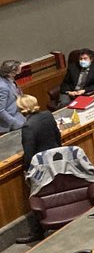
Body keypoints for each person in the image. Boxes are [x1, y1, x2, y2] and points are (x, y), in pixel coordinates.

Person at [15, 96, 63, 243]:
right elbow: (57, 136)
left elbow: (29, 154)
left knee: (37, 197)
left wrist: (27, 172)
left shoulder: (28, 126)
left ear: (21, 109)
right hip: (56, 160)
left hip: (41, 167)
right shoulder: (47, 116)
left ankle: (37, 232)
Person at [0, 60, 26, 134]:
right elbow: (1, 110)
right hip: (8, 122)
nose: (21, 68)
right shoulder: (3, 87)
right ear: (11, 73)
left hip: (17, 113)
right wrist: (14, 122)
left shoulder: (10, 79)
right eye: (19, 67)